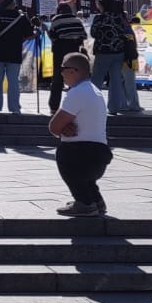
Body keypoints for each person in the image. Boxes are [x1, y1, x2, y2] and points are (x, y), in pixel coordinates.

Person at [47, 51, 113, 217]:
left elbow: (54, 127)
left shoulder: (77, 93)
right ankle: (96, 200)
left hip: (82, 154)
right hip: (100, 153)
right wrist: (64, 126)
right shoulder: (94, 90)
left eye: (63, 69)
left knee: (65, 154)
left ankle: (85, 203)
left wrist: (62, 127)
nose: (61, 73)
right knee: (86, 178)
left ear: (74, 71)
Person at [0, 2, 35, 116]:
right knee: (13, 82)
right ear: (14, 4)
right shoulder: (21, 17)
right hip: (14, 53)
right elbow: (30, 35)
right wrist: (21, 39)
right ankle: (15, 108)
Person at [89, 0, 127, 115]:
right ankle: (114, 108)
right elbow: (124, 32)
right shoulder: (119, 17)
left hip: (103, 52)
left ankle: (93, 107)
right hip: (118, 52)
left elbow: (93, 33)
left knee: (97, 80)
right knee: (115, 80)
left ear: (102, 5)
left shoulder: (99, 18)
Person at [46, 3, 87, 113]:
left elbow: (53, 37)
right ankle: (75, 106)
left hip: (60, 51)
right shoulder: (77, 20)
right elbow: (84, 35)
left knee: (57, 78)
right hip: (74, 50)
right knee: (75, 77)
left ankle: (54, 106)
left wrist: (46, 30)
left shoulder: (56, 20)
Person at [121, 16, 144, 113]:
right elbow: (130, 46)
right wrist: (131, 58)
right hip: (128, 60)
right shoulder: (127, 29)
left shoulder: (119, 28)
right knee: (130, 83)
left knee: (122, 83)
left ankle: (124, 104)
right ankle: (133, 105)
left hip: (120, 59)